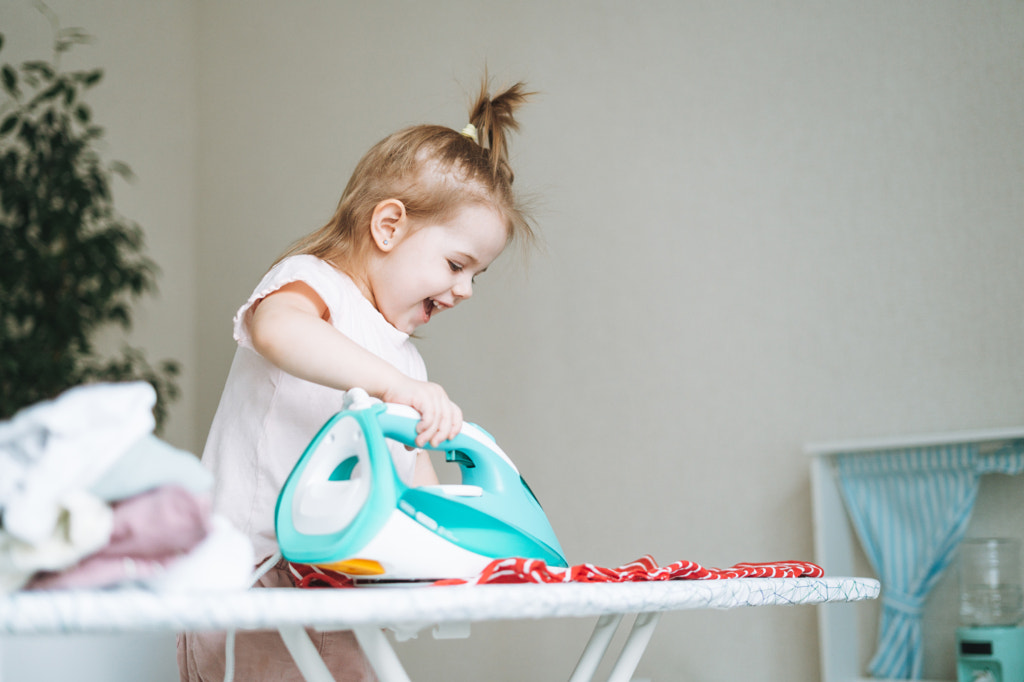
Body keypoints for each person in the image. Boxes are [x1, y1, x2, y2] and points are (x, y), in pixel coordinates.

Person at [177, 77, 534, 681]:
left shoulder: (406, 364)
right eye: (456, 265)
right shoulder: (314, 286)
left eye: (478, 275)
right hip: (254, 579)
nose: (465, 290)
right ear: (388, 226)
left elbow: (412, 478)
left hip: (341, 586)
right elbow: (277, 330)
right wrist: (398, 389)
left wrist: (454, 548)